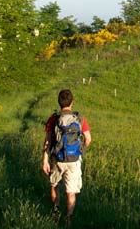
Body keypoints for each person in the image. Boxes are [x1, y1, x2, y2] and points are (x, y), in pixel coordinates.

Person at [42, 88, 91, 224]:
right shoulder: (80, 118)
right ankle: (69, 217)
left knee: (55, 185)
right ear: (72, 102)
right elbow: (88, 139)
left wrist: (45, 160)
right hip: (74, 160)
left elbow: (47, 142)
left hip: (57, 159)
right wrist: (78, 150)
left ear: (59, 102)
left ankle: (56, 210)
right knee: (71, 192)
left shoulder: (53, 119)